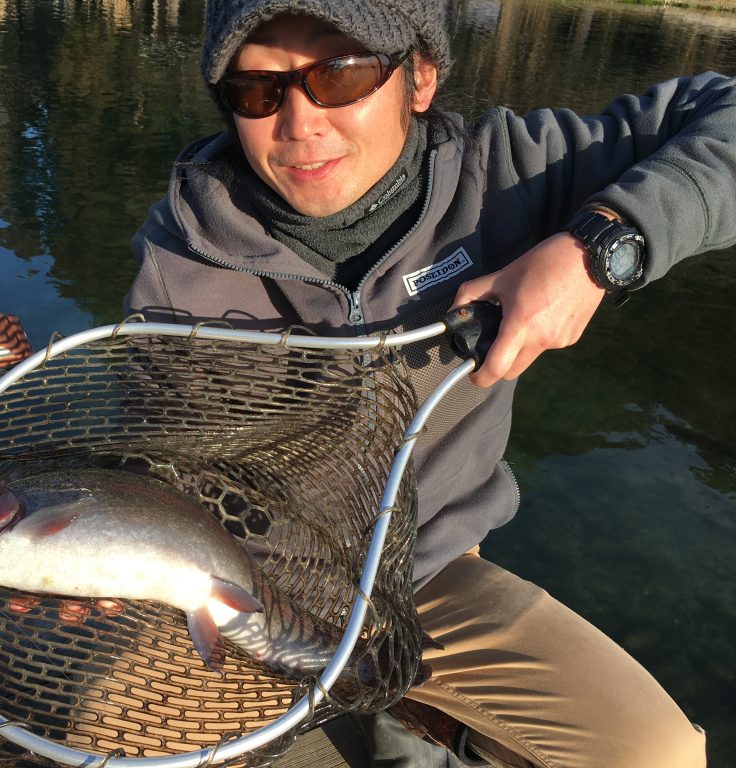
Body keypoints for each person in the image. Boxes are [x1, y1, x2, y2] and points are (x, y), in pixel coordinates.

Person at [124, 1, 736, 766]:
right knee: (101, 731)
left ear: (421, 76)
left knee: (656, 753)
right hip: (245, 585)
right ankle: (397, 715)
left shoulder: (514, 169)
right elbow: (154, 464)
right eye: (258, 90)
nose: (299, 124)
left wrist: (602, 246)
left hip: (435, 573)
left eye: (338, 74)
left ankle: (406, 717)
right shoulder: (178, 261)